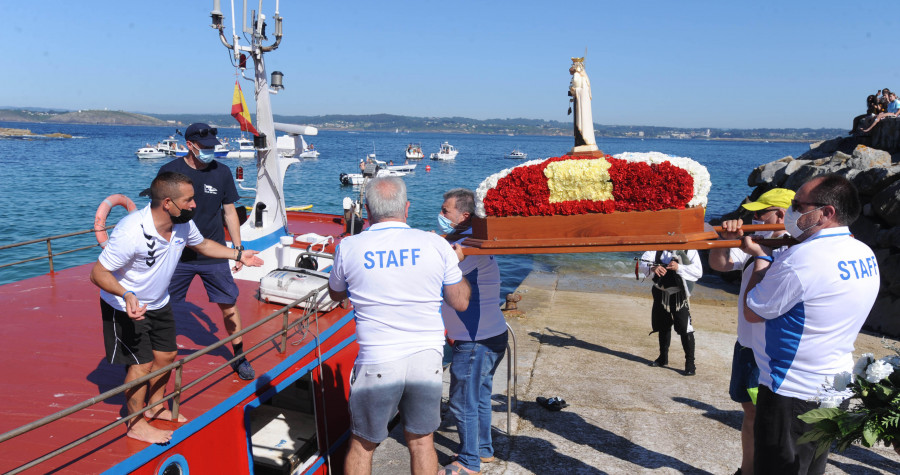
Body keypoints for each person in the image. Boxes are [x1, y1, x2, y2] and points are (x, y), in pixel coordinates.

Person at [89, 172, 262, 444]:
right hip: (124, 306)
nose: (195, 205)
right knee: (142, 364)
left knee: (167, 355)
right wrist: (126, 294)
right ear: (168, 202)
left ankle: (157, 405)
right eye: (189, 200)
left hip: (158, 302)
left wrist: (239, 254)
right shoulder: (132, 230)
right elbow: (98, 273)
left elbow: (203, 244)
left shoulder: (182, 223)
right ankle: (135, 423)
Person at [327, 176, 471, 475]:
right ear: (406, 208)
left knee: (363, 444)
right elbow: (460, 302)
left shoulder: (349, 246)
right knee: (421, 441)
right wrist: (457, 264)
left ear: (367, 210)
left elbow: (336, 293)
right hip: (426, 357)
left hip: (377, 359)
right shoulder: (436, 244)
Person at [742, 175, 879, 474]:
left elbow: (753, 310)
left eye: (798, 205)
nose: (791, 211)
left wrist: (761, 261)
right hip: (834, 384)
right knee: (812, 467)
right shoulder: (863, 251)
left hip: (791, 389)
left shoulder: (800, 259)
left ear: (826, 212)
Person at [708, 188, 794, 475]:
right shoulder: (755, 240)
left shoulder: (792, 249)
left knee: (768, 416)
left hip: (768, 346)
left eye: (760, 213)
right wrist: (725, 240)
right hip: (746, 342)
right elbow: (719, 264)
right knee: (750, 412)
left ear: (780, 215)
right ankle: (746, 470)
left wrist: (759, 252)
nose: (753, 218)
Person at [158, 123, 254, 380]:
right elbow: (158, 212)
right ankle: (154, 353)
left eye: (213, 146)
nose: (211, 150)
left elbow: (230, 211)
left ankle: (239, 355)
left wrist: (237, 248)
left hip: (213, 252)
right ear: (189, 145)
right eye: (205, 147)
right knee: (161, 304)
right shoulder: (170, 172)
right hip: (177, 254)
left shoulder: (221, 172)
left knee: (229, 306)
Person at [437, 188, 508, 475]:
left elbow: (438, 267)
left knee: (461, 400)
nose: (441, 215)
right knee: (478, 396)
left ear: (464, 216)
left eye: (445, 211)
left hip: (475, 341)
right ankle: (482, 449)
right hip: (490, 335)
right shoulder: (471, 243)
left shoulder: (466, 251)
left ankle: (468, 462)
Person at [637, 248, 702, 376]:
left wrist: (679, 267)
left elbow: (698, 272)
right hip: (660, 291)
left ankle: (690, 363)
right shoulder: (657, 247)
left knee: (684, 327)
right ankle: (663, 358)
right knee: (662, 324)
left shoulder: (690, 250)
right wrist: (653, 268)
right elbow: (643, 262)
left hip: (679, 294)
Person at [568, 56, 599, 153]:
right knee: (578, 124)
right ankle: (580, 141)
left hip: (581, 104)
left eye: (573, 65)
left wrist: (574, 90)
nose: (572, 67)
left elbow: (583, 91)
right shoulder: (580, 76)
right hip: (578, 102)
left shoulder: (581, 77)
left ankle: (583, 141)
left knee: (581, 123)